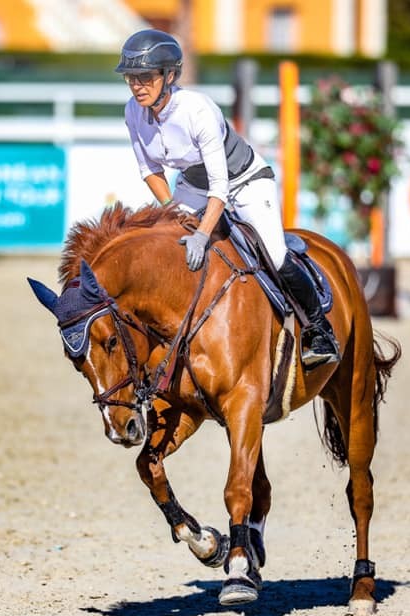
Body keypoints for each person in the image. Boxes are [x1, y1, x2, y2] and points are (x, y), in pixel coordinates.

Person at [116, 28, 339, 367]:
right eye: (131, 77)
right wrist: (173, 213)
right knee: (169, 244)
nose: (137, 85)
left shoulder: (198, 110)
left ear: (170, 75)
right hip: (193, 184)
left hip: (244, 180)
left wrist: (202, 233)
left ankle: (319, 331)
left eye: (145, 77)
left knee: (275, 255)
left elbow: (220, 186)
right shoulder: (133, 111)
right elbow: (150, 171)